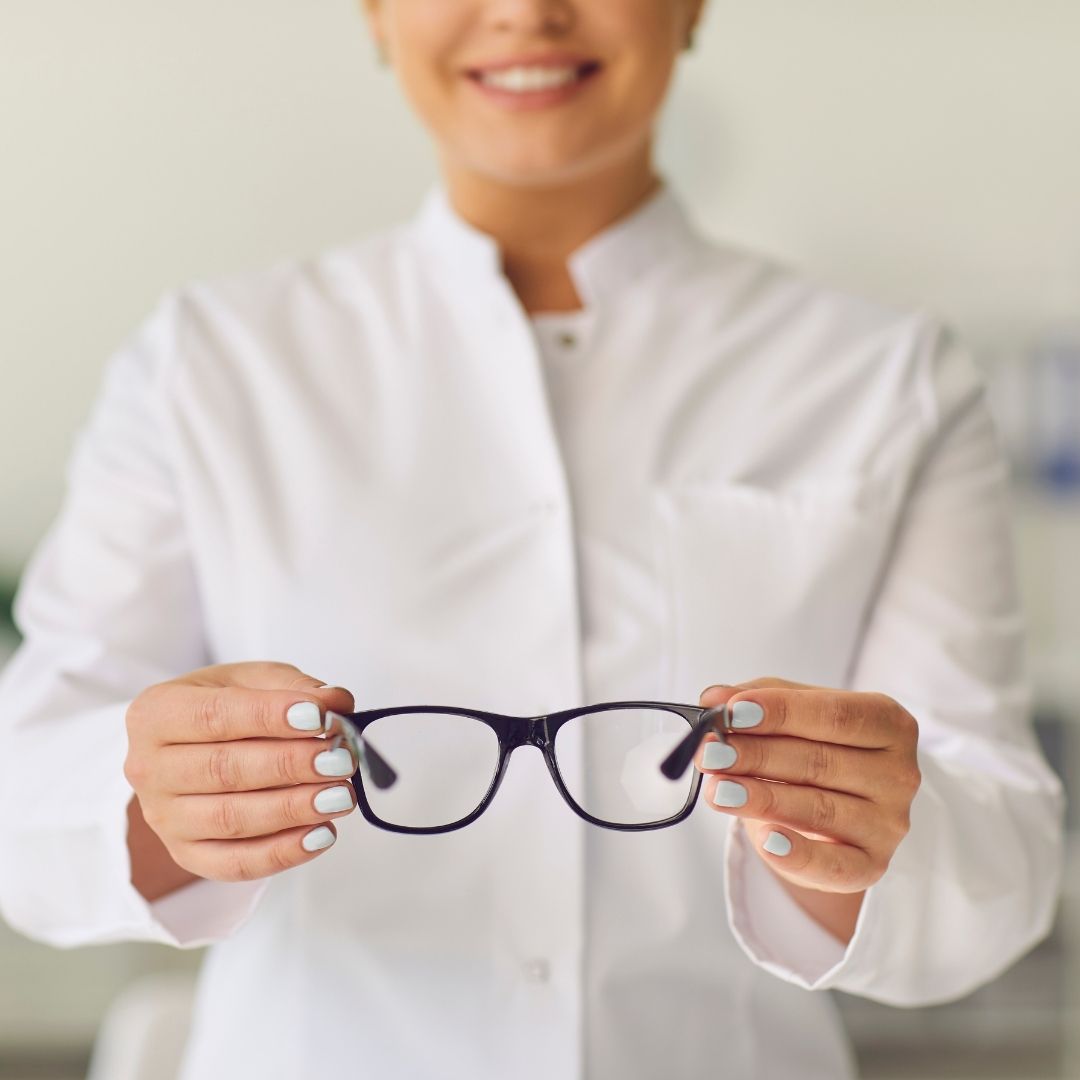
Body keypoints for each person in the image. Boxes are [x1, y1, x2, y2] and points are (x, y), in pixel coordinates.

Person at [0, 1, 1064, 1078]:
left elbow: (1006, 865)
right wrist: (155, 801)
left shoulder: (890, 381)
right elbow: (26, 791)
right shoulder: (208, 364)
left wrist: (873, 836)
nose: (525, 11)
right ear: (374, 13)